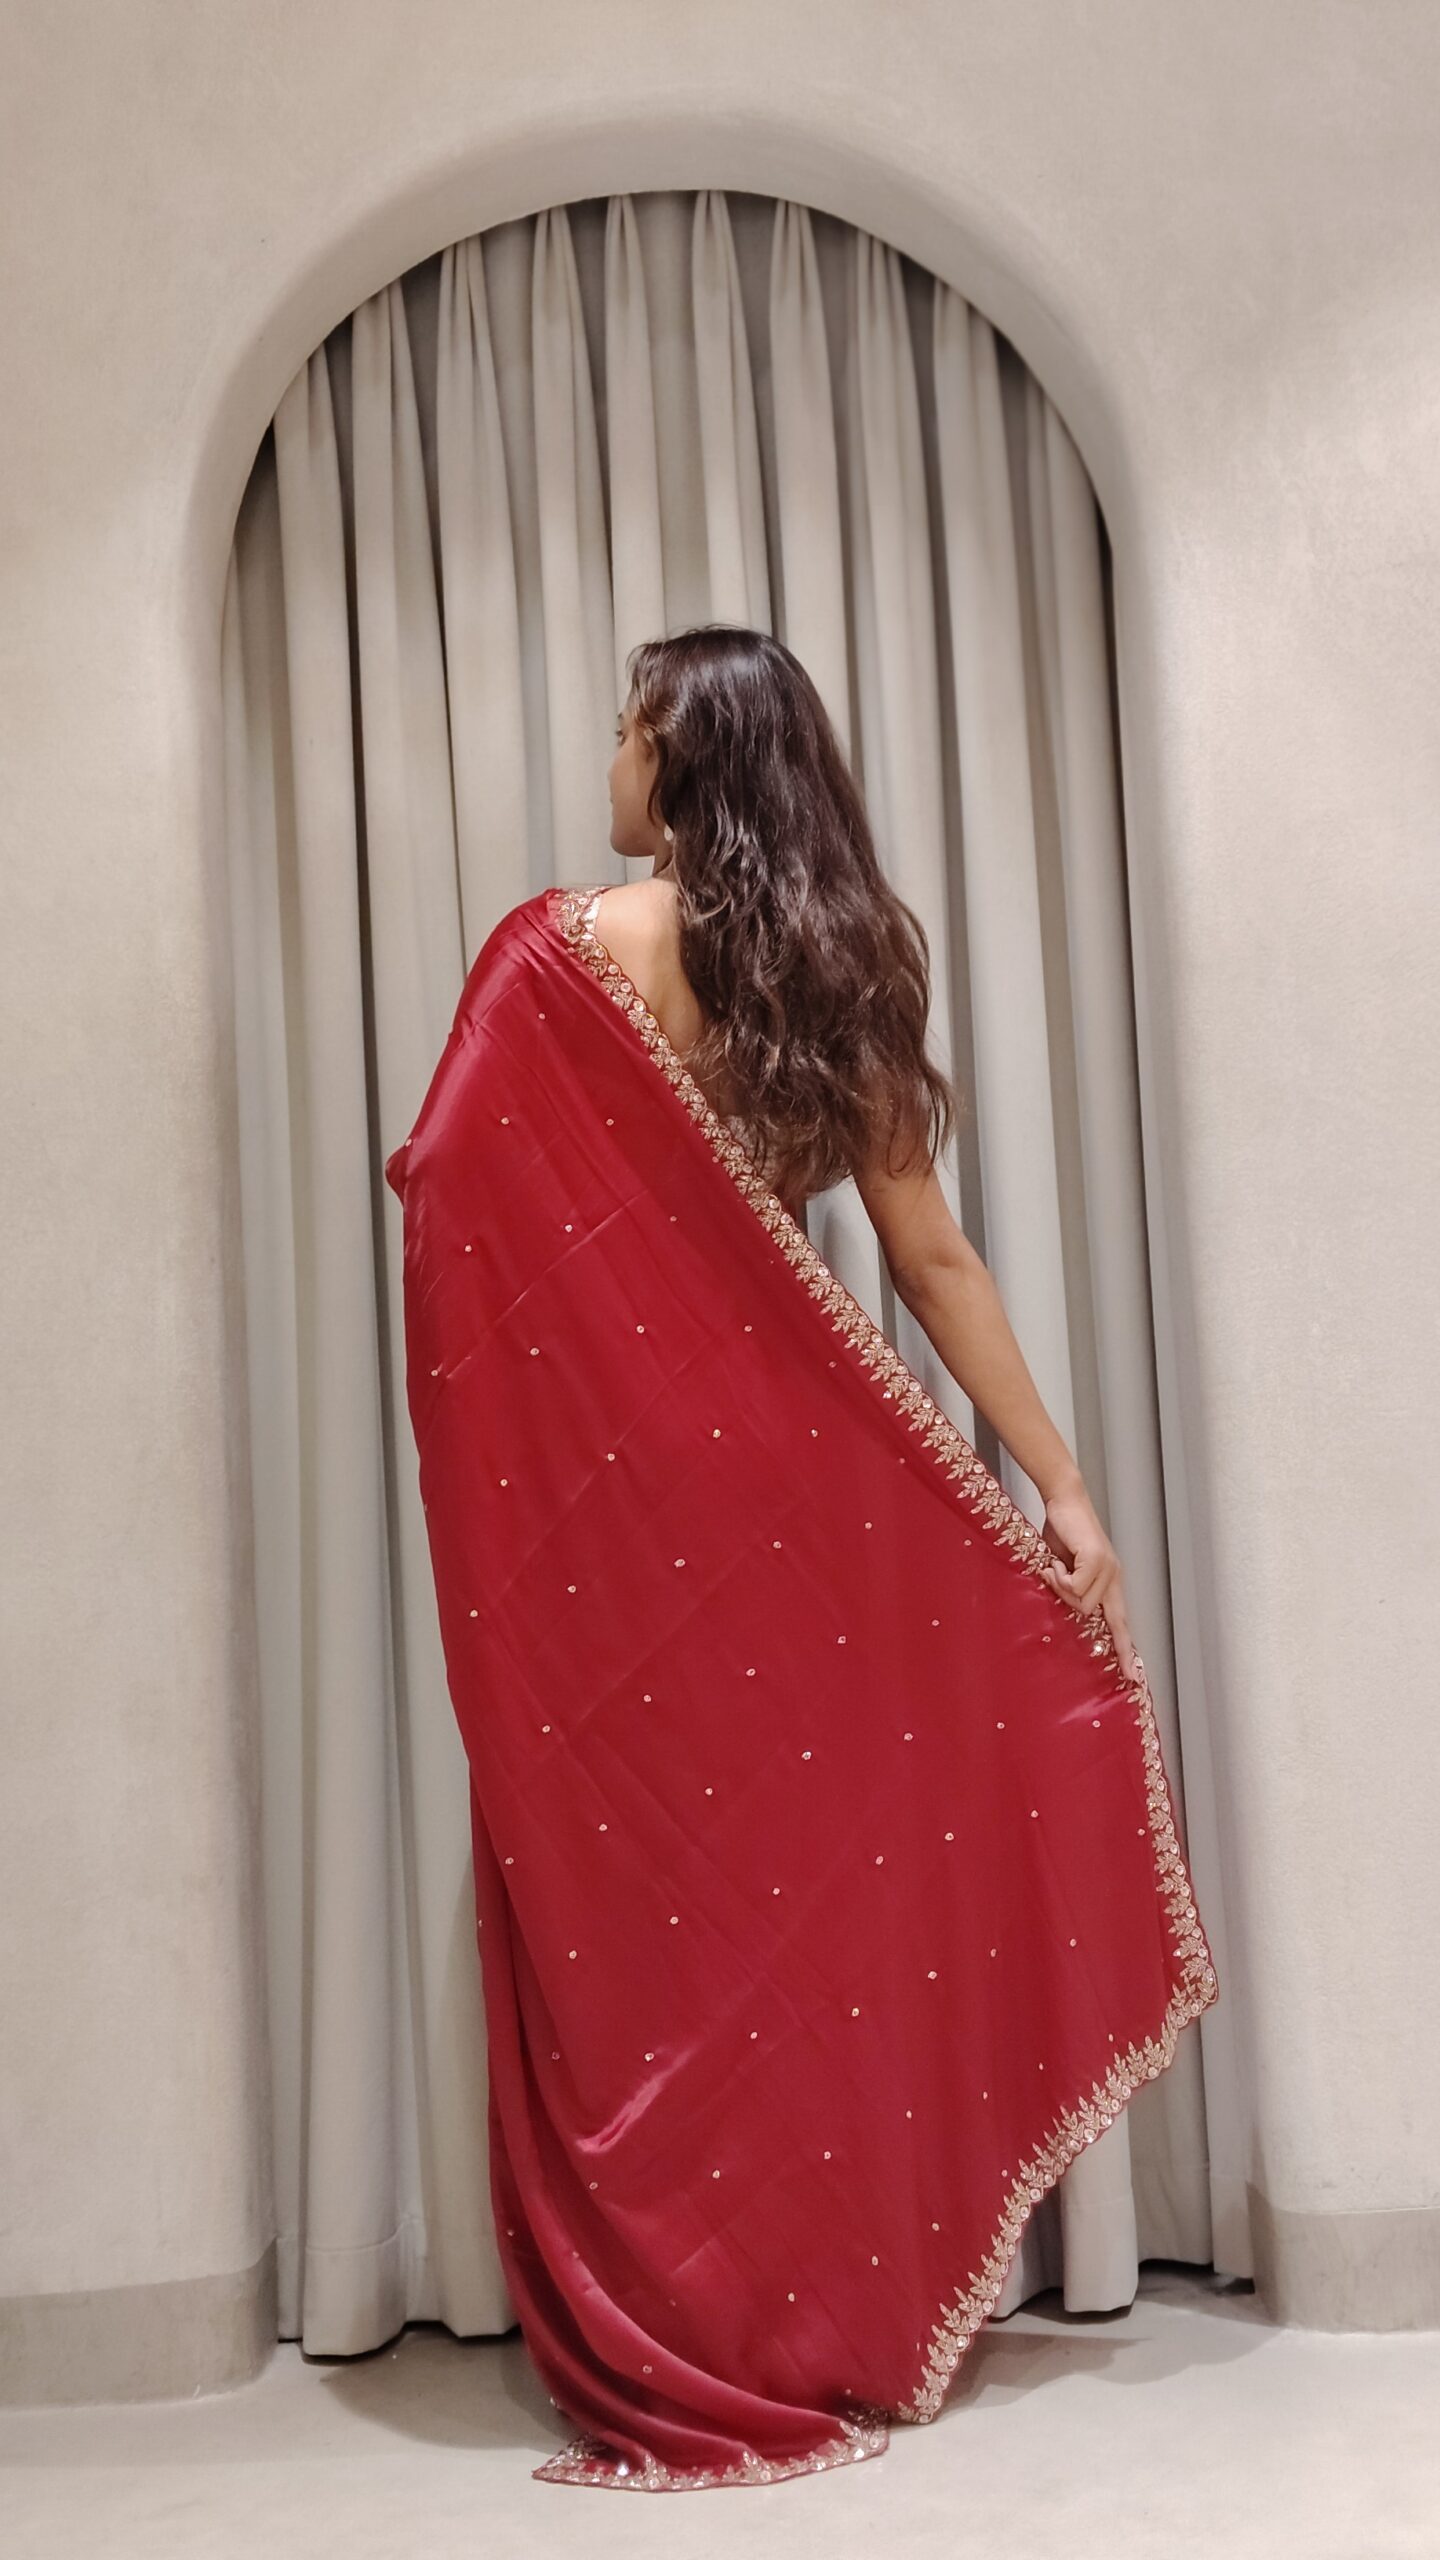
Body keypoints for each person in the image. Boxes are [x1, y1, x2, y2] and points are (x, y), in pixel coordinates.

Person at [384, 624, 1218, 2492]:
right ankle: (829, 2311)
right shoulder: (837, 968)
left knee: (670, 1927)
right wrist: (1063, 1492)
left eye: (629, 733)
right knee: (795, 1905)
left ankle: (700, 2313)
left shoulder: (554, 954)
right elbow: (933, 1261)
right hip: (790, 1492)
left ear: (683, 763)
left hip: (631, 1529)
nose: (609, 764)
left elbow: (443, 1187)